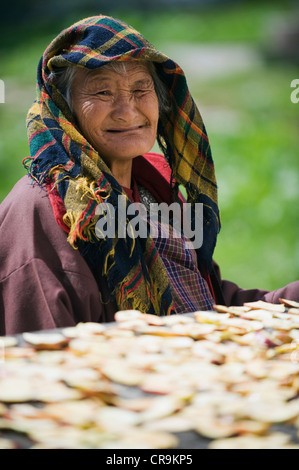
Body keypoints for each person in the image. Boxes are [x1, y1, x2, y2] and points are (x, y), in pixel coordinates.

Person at [0, 15, 298, 335]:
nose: (128, 111)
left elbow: (205, 306)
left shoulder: (154, 188)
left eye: (141, 89)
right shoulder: (49, 210)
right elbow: (42, 357)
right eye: (102, 92)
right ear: (64, 108)